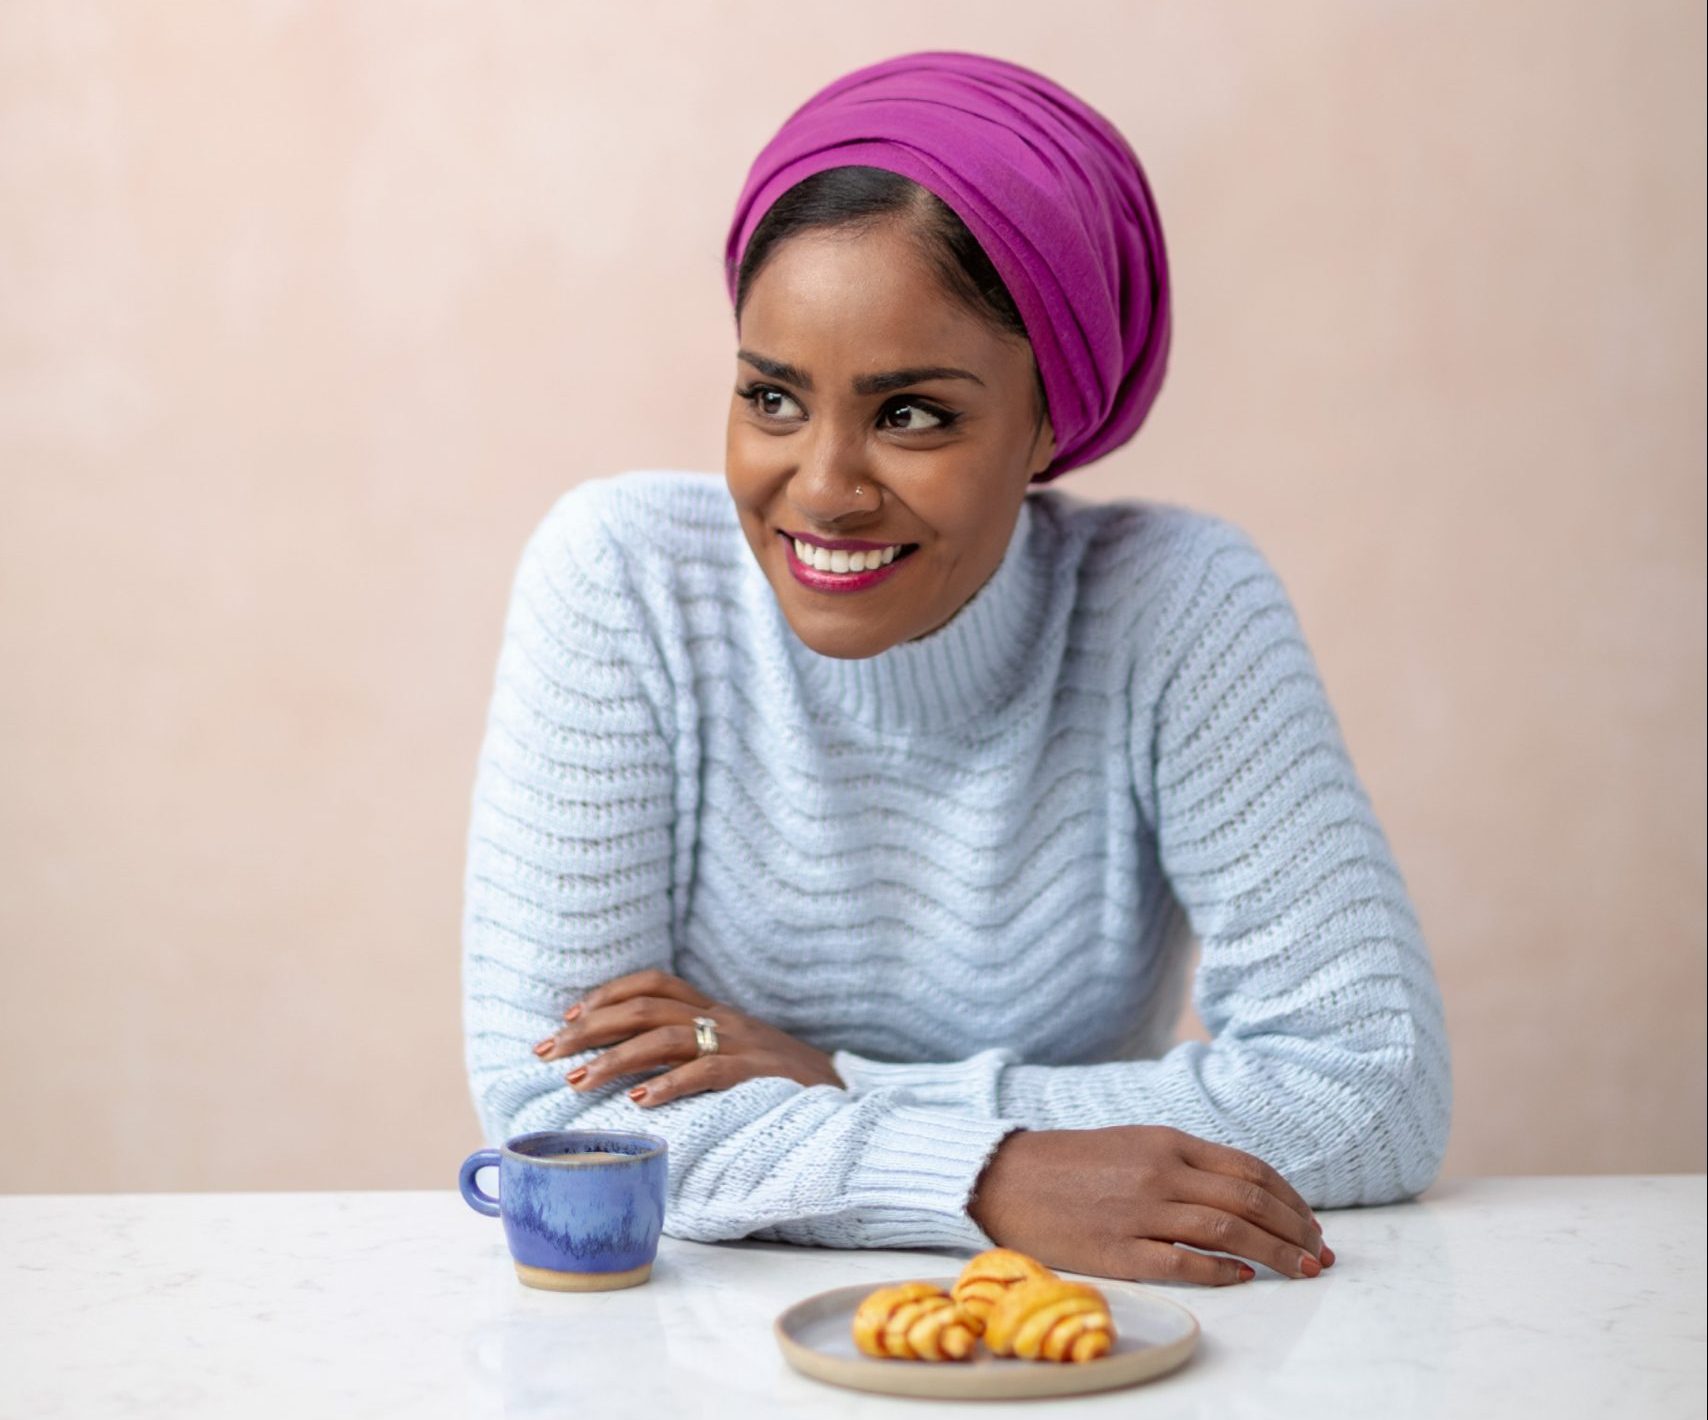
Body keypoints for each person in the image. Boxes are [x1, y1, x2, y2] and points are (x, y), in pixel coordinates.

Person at [460, 50, 1451, 1287]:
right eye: (771, 397)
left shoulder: (1173, 607)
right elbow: (561, 1118)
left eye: (910, 413)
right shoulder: (623, 579)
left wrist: (845, 1085)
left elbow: (1374, 1088)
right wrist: (989, 1175)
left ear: (1052, 419)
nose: (820, 488)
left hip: (1078, 1345)